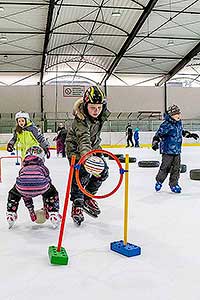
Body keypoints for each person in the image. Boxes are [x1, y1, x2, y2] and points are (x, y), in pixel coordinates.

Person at [66, 85, 110, 226]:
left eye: (99, 107)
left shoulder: (100, 116)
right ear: (85, 105)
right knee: (81, 176)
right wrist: (86, 159)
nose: (96, 111)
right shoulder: (81, 121)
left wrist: (98, 152)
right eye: (92, 107)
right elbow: (84, 140)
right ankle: (77, 204)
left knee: (103, 172)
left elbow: (94, 137)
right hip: (76, 151)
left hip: (94, 148)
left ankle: (88, 196)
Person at [6, 146, 61, 229]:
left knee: (13, 193)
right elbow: (47, 182)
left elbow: (26, 193)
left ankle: (11, 213)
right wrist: (46, 206)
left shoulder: (23, 168)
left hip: (22, 188)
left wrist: (31, 210)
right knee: (51, 192)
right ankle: (53, 212)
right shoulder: (43, 168)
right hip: (42, 186)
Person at [152, 104, 199, 193]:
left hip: (177, 150)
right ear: (171, 115)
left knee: (176, 169)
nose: (178, 115)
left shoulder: (178, 123)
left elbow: (182, 132)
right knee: (165, 167)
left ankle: (174, 184)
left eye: (179, 113)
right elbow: (158, 134)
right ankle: (159, 181)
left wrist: (190, 134)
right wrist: (155, 142)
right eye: (176, 114)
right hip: (167, 151)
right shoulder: (166, 125)